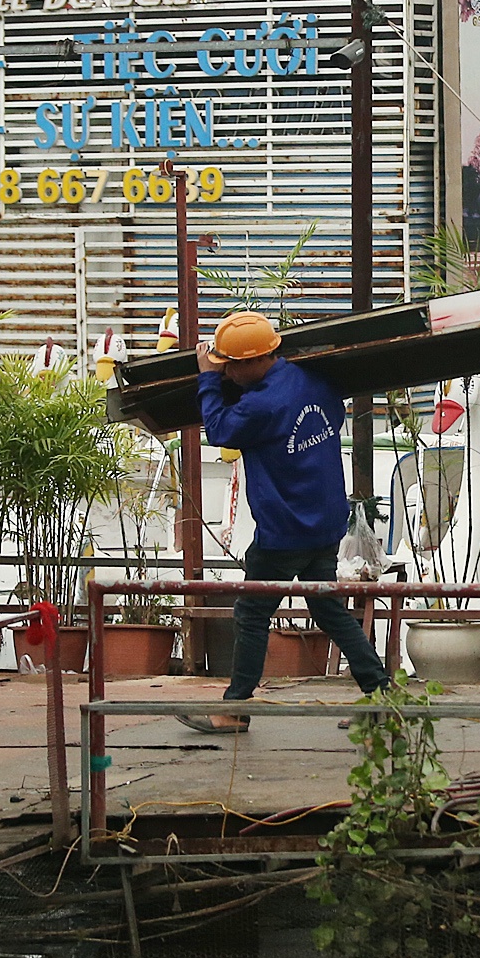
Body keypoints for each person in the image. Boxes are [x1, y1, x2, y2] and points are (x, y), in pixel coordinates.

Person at [178, 311, 391, 733]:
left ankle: (235, 707)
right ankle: (383, 694)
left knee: (252, 612)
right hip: (326, 522)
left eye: (231, 366)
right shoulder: (316, 382)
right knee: (328, 610)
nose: (229, 373)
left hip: (285, 531)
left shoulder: (261, 404)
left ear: (255, 361)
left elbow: (219, 430)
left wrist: (206, 379)